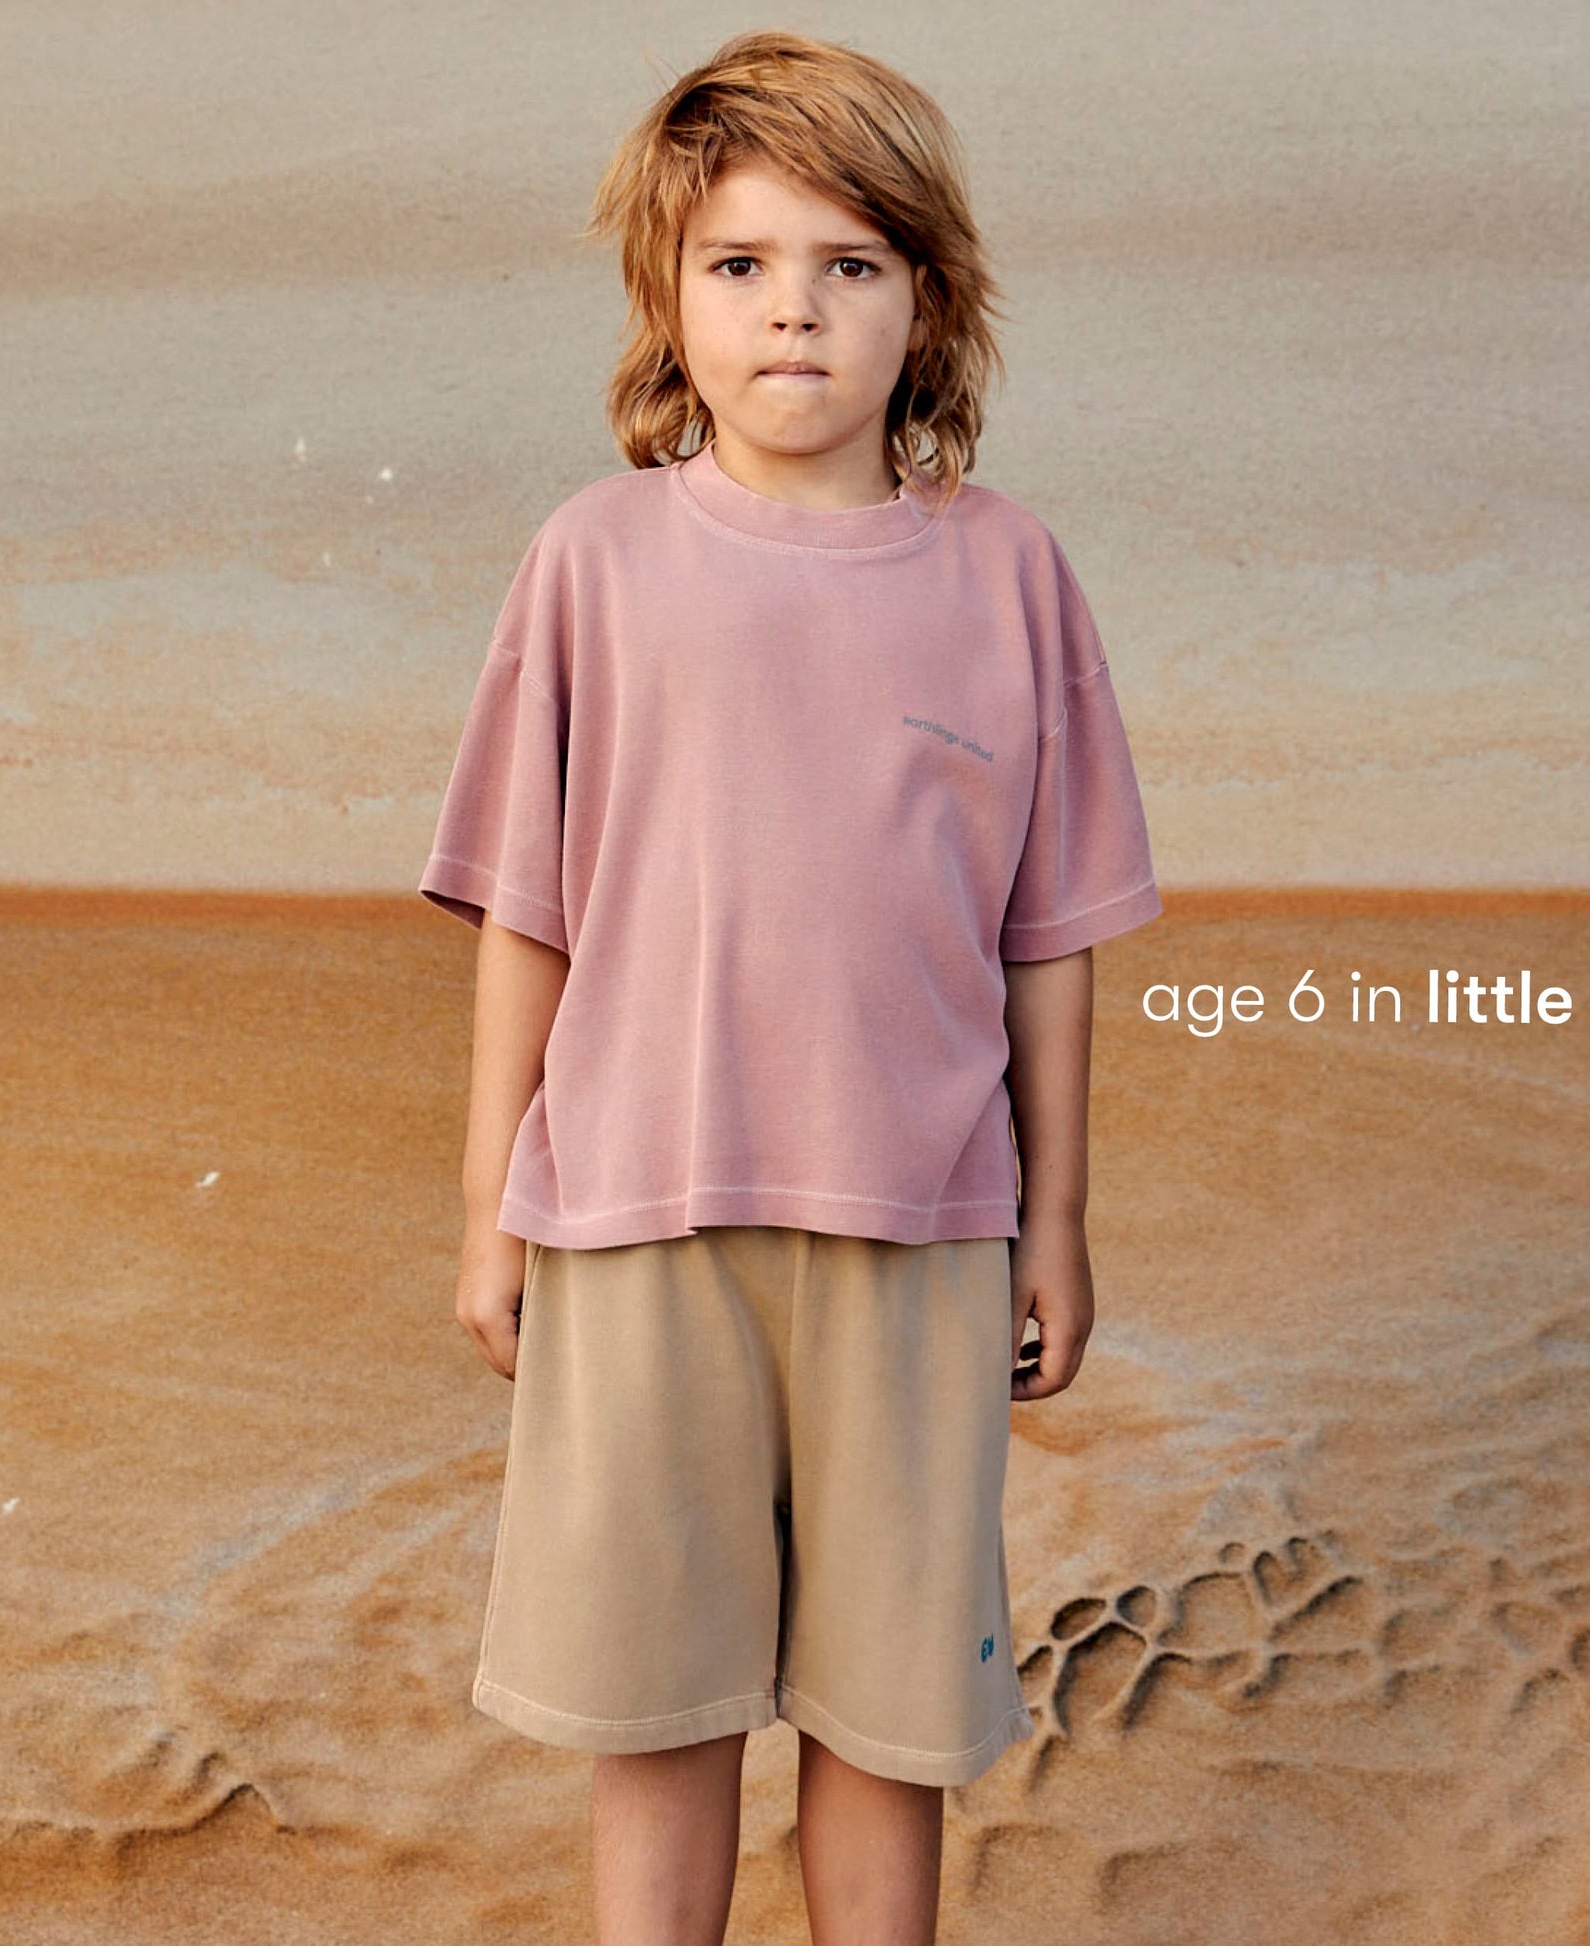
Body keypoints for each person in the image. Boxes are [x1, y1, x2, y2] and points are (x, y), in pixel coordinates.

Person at [419, 29, 1162, 1946]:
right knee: (653, 1717)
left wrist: (1054, 1218)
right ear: (670, 303)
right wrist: (490, 1204)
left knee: (884, 1722)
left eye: (850, 266)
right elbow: (530, 912)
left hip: (915, 1229)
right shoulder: (593, 559)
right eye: (740, 266)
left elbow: (1048, 932)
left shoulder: (1008, 577)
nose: (794, 316)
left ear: (929, 301)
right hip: (636, 1216)